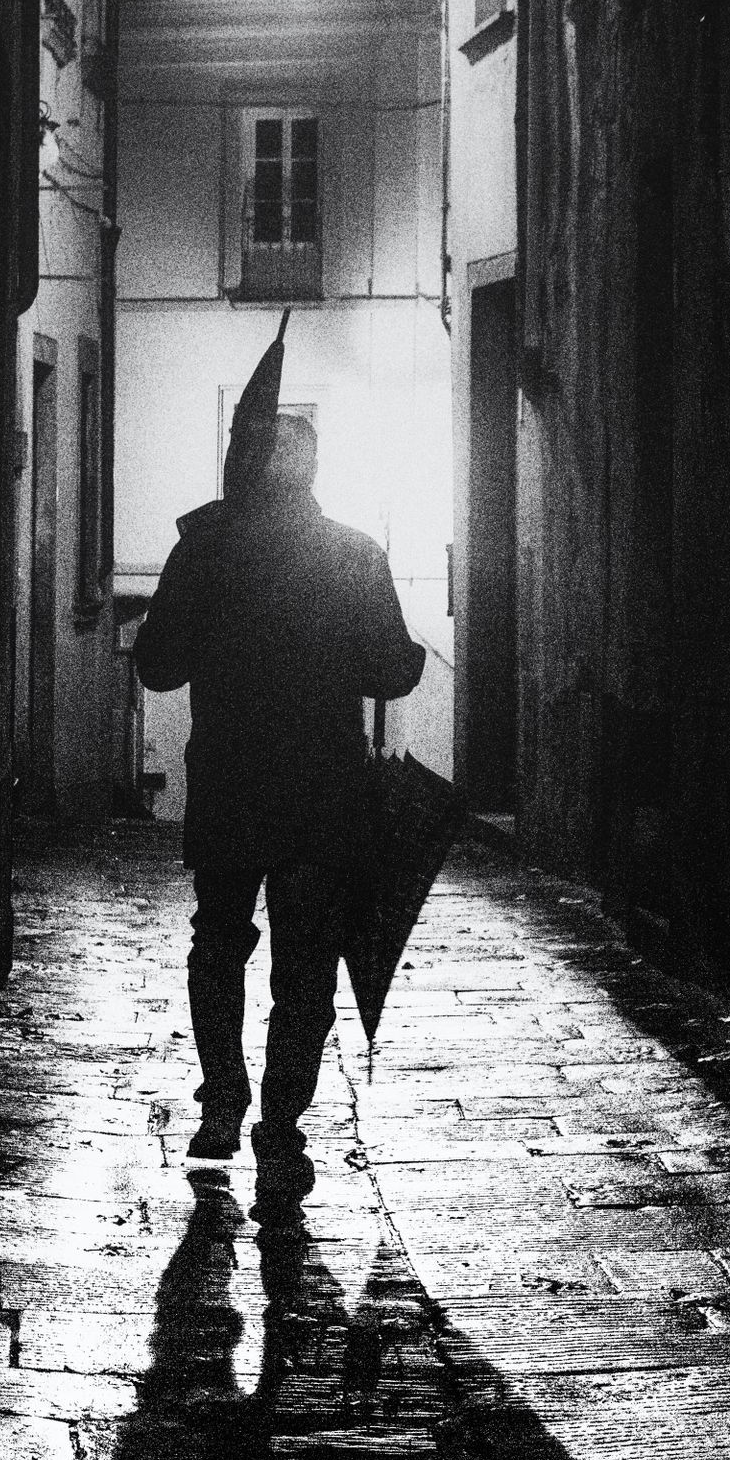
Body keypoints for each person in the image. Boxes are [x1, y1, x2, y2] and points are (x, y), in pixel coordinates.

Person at [133, 319, 425, 1213]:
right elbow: (395, 669)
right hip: (322, 797)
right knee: (306, 966)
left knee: (219, 943)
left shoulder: (206, 547)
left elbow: (156, 666)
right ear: (314, 472)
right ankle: (282, 1131)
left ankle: (223, 1101)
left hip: (228, 783)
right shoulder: (353, 553)